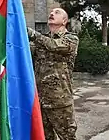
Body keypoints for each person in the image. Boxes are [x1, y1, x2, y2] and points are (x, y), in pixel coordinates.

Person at [27, 8, 79, 140]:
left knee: (67, 137)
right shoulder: (40, 41)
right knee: (44, 138)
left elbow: (54, 46)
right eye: (51, 12)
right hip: (40, 101)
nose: (51, 14)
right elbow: (24, 54)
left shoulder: (71, 39)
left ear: (64, 21)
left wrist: (32, 33)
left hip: (60, 101)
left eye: (57, 13)